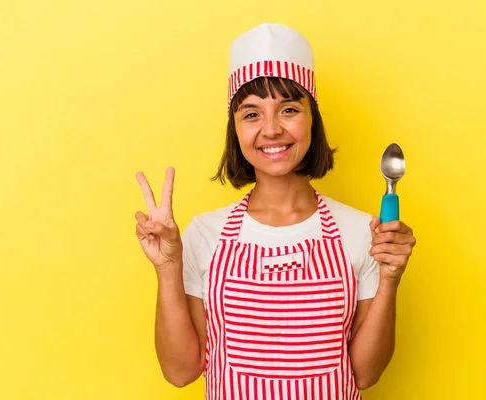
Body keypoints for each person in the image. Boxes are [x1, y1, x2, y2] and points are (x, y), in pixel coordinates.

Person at [134, 22, 416, 399]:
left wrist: (390, 279)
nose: (270, 129)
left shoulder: (361, 232)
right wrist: (168, 268)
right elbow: (181, 371)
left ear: (312, 119)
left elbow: (364, 374)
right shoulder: (205, 234)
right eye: (251, 114)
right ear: (235, 129)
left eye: (288, 109)